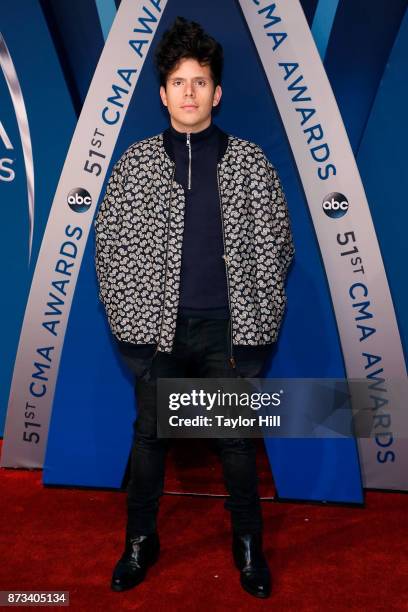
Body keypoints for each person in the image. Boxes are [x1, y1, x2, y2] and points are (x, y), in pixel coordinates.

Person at [94, 16, 294, 599]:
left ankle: (249, 544)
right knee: (149, 439)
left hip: (226, 332)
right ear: (163, 94)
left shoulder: (251, 163)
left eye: (199, 81)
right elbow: (110, 245)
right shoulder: (135, 165)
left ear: (217, 92)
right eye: (178, 82)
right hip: (156, 334)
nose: (189, 92)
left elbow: (278, 244)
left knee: (234, 443)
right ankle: (139, 542)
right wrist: (130, 323)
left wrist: (258, 316)